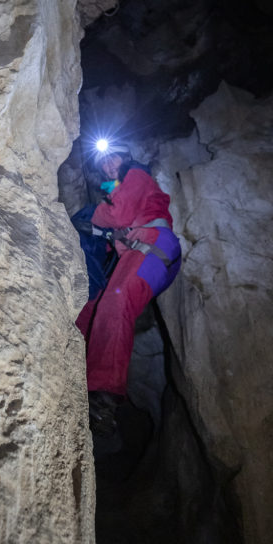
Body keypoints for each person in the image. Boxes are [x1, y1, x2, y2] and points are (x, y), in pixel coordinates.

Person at [75, 144, 181, 435]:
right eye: (103, 163)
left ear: (125, 159)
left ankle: (103, 396)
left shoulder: (137, 175)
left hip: (155, 248)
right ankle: (72, 373)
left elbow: (119, 214)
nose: (109, 165)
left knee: (115, 304)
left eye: (114, 157)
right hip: (138, 251)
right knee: (89, 312)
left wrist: (90, 216)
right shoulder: (117, 192)